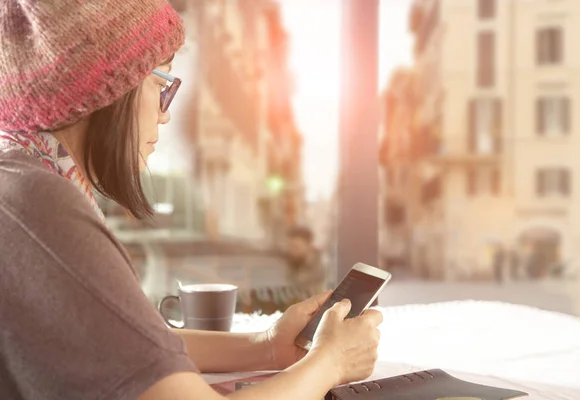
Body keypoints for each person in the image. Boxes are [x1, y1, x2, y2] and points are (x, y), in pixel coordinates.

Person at [0, 2, 383, 400]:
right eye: (160, 83)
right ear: (109, 84)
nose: (165, 116)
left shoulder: (22, 181)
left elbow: (125, 343)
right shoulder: (40, 206)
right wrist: (330, 361)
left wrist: (267, 345)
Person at [286, 226, 327, 295]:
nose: (292, 251)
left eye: (296, 246)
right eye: (290, 246)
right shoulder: (294, 262)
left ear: (309, 245)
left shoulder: (323, 266)